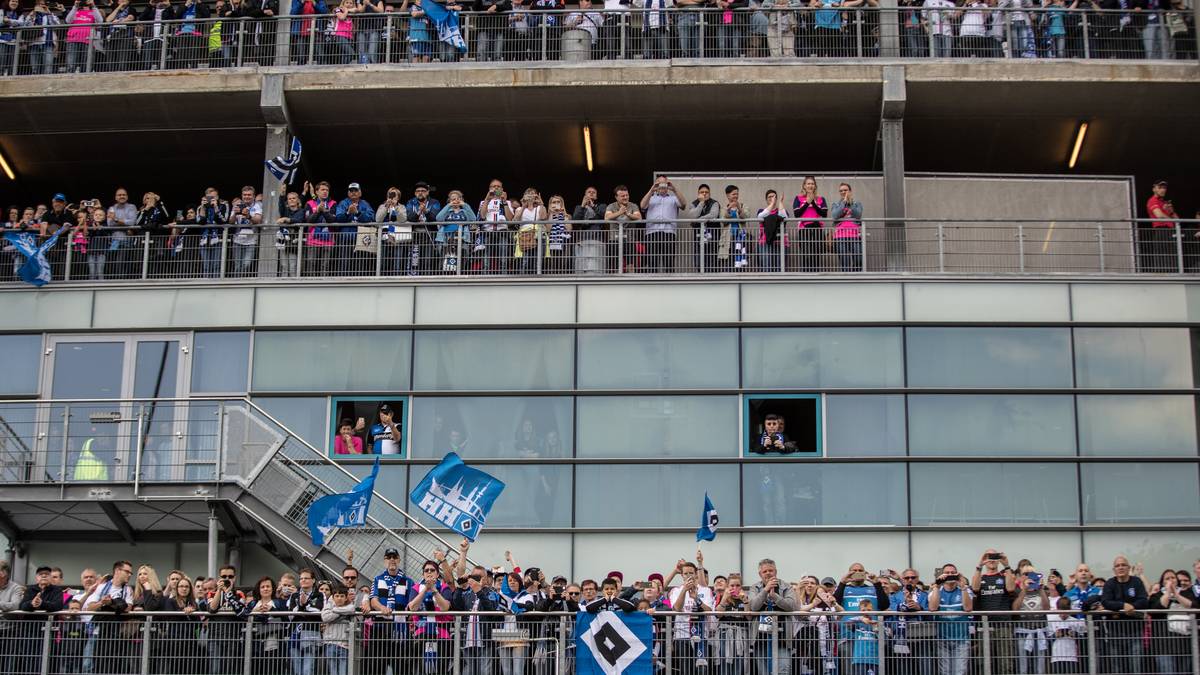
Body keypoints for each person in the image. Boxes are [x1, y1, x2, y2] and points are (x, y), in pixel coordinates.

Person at [1099, 556, 1148, 675]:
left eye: (1123, 565)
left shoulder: (1136, 582)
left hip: (1135, 631)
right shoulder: (1110, 583)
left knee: (1135, 667)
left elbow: (1143, 600)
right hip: (1115, 633)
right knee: (1117, 668)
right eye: (1117, 565)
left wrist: (1132, 607)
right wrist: (1123, 605)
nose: (1120, 567)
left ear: (1129, 567)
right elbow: (1105, 601)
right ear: (1114, 569)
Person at [972, 549, 1017, 675]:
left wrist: (1006, 565)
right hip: (985, 627)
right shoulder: (980, 577)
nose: (991, 559)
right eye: (988, 556)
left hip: (1003, 625)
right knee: (983, 663)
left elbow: (1011, 588)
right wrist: (979, 565)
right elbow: (975, 588)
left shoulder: (1004, 576)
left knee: (1005, 663)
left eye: (994, 556)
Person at [750, 558, 796, 675]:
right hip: (760, 638)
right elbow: (754, 606)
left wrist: (775, 596)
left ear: (776, 572)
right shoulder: (755, 588)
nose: (768, 573)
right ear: (760, 574)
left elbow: (791, 606)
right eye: (765, 571)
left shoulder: (786, 587)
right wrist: (765, 590)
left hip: (783, 638)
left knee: (783, 670)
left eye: (771, 570)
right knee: (763, 671)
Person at [669, 560, 714, 675]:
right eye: (686, 573)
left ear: (695, 574)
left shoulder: (706, 590)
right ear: (682, 575)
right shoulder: (675, 590)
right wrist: (684, 590)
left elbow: (709, 610)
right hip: (682, 635)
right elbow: (677, 609)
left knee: (702, 670)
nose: (689, 576)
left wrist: (696, 599)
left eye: (691, 573)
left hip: (701, 635)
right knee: (686, 670)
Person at [16, 565, 64, 675]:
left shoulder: (56, 590)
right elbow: (22, 606)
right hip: (30, 632)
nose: (43, 575)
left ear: (51, 577)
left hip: (49, 631)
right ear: (36, 578)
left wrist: (41, 603)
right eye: (40, 574)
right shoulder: (30, 589)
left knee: (48, 660)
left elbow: (57, 606)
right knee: (30, 660)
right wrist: (32, 604)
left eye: (46, 574)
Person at [929, 564, 972, 675]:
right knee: (945, 672)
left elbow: (968, 608)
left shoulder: (965, 590)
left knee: (960, 672)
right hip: (942, 639)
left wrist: (963, 588)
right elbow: (933, 608)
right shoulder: (936, 590)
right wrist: (937, 587)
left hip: (962, 639)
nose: (950, 575)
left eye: (953, 573)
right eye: (947, 573)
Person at [1148, 569, 1193, 675]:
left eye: (1173, 577)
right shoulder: (1156, 595)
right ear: (1162, 582)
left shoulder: (1186, 592)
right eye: (1167, 578)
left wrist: (1177, 595)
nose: (1170, 580)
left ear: (1177, 580)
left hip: (1184, 644)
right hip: (1164, 645)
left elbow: (1192, 605)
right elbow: (1158, 608)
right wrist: (1168, 592)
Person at [206, 564, 248, 675]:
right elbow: (212, 609)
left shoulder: (239, 594)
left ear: (234, 578)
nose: (227, 579)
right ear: (219, 578)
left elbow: (241, 610)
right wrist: (220, 591)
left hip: (233, 637)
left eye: (230, 576)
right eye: (224, 576)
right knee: (215, 670)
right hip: (214, 637)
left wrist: (229, 593)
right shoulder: (212, 593)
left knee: (229, 669)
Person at [241, 576, 288, 675]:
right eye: (262, 587)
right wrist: (255, 612)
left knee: (273, 669)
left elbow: (286, 620)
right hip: (255, 645)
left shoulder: (280, 603)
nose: (265, 589)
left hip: (275, 644)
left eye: (268, 586)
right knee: (256, 669)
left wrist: (272, 610)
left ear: (273, 588)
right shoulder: (253, 604)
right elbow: (244, 618)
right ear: (259, 589)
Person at [639, 175, 685, 274]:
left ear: (667, 184)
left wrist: (674, 189)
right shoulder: (651, 198)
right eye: (659, 183)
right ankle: (652, 285)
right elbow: (642, 205)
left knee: (668, 261)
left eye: (664, 183)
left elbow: (683, 204)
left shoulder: (673, 198)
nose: (662, 186)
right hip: (652, 232)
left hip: (668, 232)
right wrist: (651, 190)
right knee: (652, 261)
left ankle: (670, 285)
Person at [158, 575, 201, 674]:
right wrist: (183, 611)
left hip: (191, 642)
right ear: (177, 589)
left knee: (189, 670)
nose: (184, 588)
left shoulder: (194, 604)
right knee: (174, 669)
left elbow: (198, 624)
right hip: (174, 642)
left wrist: (192, 612)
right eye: (181, 586)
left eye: (187, 586)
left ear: (190, 589)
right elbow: (170, 617)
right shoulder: (170, 601)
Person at [335, 182, 376, 275]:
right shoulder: (343, 203)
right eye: (351, 191)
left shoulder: (365, 204)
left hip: (361, 240)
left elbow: (371, 218)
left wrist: (357, 212)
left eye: (356, 190)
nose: (353, 192)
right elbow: (338, 218)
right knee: (344, 264)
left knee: (360, 265)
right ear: (348, 193)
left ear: (360, 193)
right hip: (346, 239)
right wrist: (348, 213)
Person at [684, 184, 724, 274]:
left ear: (709, 193)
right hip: (699, 237)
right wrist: (701, 203)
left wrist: (697, 220)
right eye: (702, 192)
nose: (704, 194)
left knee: (712, 261)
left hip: (713, 237)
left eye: (706, 192)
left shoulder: (714, 203)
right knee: (698, 262)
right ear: (698, 193)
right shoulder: (693, 204)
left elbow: (713, 215)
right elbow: (692, 215)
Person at [791, 176, 828, 272]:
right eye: (808, 183)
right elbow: (797, 214)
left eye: (812, 183)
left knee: (816, 253)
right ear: (804, 186)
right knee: (806, 253)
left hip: (817, 229)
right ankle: (806, 274)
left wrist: (813, 203)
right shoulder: (798, 198)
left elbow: (824, 214)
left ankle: (815, 275)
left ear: (815, 186)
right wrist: (807, 203)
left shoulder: (821, 199)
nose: (810, 185)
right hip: (804, 229)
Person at [194, 187, 231, 278]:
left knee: (217, 265)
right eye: (209, 197)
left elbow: (223, 220)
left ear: (217, 197)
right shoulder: (200, 207)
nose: (211, 199)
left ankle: (216, 285)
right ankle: (206, 285)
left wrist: (216, 208)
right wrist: (203, 207)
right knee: (206, 266)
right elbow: (200, 221)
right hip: (204, 239)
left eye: (213, 197)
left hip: (218, 239)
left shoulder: (223, 205)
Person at [604, 186, 642, 274]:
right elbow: (606, 218)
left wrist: (628, 214)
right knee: (614, 264)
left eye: (627, 195)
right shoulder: (611, 206)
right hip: (614, 240)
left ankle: (631, 282)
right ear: (616, 197)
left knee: (631, 264)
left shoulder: (633, 206)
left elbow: (639, 218)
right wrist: (620, 212)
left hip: (630, 240)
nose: (625, 197)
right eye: (622, 196)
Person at [1144, 179, 1179, 272]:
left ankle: (1174, 275)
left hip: (1170, 231)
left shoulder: (1165, 202)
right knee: (1163, 258)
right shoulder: (1152, 200)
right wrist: (1171, 218)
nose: (1163, 190)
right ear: (1154, 189)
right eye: (1160, 187)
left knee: (1173, 257)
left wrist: (1171, 211)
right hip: (1161, 231)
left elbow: (1178, 219)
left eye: (1164, 188)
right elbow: (1159, 215)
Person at [304, 180, 338, 276]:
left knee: (325, 265)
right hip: (312, 239)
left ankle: (324, 285)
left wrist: (324, 211)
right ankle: (310, 286)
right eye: (322, 189)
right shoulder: (310, 203)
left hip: (328, 240)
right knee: (311, 264)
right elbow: (308, 220)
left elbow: (333, 220)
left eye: (327, 190)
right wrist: (317, 211)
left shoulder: (333, 203)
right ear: (317, 192)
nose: (325, 192)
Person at [321, 584, 357, 675]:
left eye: (342, 596)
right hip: (330, 643)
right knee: (332, 671)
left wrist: (334, 610)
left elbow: (352, 609)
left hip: (344, 645)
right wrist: (342, 612)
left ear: (346, 598)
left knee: (343, 672)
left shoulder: (348, 606)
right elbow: (325, 617)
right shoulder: (328, 605)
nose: (339, 598)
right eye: (337, 596)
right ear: (333, 597)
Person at [828, 182, 863, 272]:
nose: (843, 192)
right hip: (840, 236)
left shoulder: (857, 203)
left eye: (845, 190)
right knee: (844, 261)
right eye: (841, 191)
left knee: (858, 258)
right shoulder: (836, 204)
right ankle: (846, 279)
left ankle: (856, 277)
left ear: (850, 191)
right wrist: (843, 202)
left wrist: (850, 203)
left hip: (855, 235)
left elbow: (858, 215)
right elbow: (835, 215)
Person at [1046, 596, 1084, 674]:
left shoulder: (1076, 621)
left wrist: (1074, 634)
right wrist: (1055, 635)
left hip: (1072, 656)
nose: (1063, 615)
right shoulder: (1052, 621)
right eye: (1061, 612)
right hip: (1057, 656)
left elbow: (1083, 639)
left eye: (1065, 612)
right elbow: (1048, 640)